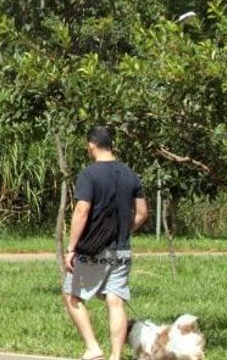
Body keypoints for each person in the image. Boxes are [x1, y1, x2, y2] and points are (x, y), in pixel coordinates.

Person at [63, 126, 148, 360]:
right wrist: (124, 230)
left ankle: (93, 348)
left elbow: (82, 211)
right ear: (111, 145)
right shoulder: (130, 173)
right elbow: (141, 212)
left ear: (91, 146)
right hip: (121, 249)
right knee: (115, 300)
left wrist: (71, 248)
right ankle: (116, 355)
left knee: (71, 295)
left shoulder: (89, 174)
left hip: (93, 250)